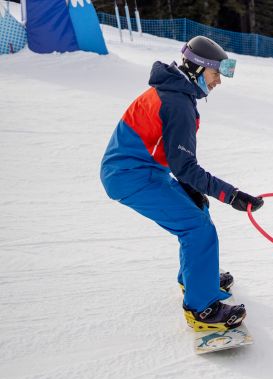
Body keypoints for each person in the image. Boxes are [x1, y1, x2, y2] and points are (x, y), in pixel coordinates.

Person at [100, 36, 264, 332]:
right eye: (216, 74)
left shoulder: (176, 93)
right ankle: (202, 308)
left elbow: (172, 157)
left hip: (146, 170)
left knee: (197, 211)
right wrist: (232, 195)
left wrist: (194, 189)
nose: (218, 82)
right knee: (197, 228)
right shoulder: (177, 103)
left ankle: (194, 278)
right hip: (130, 177)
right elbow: (185, 166)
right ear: (199, 70)